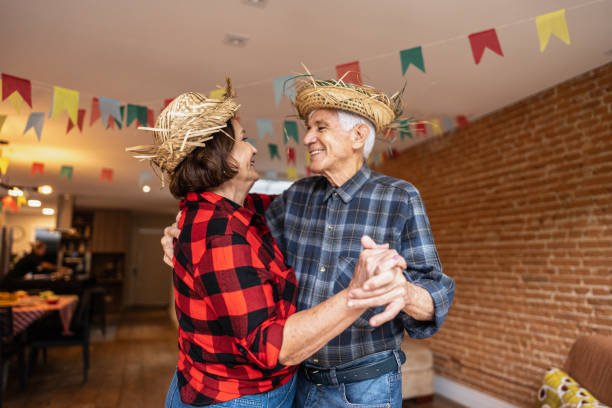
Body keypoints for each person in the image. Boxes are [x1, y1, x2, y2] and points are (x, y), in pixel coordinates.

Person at [162, 75, 456, 407]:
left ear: (358, 136)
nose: (306, 138)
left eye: (320, 127)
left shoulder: (399, 198)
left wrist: (405, 292)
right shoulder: (295, 197)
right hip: (298, 382)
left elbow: (437, 291)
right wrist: (179, 229)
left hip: (362, 389)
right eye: (308, 128)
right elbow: (228, 210)